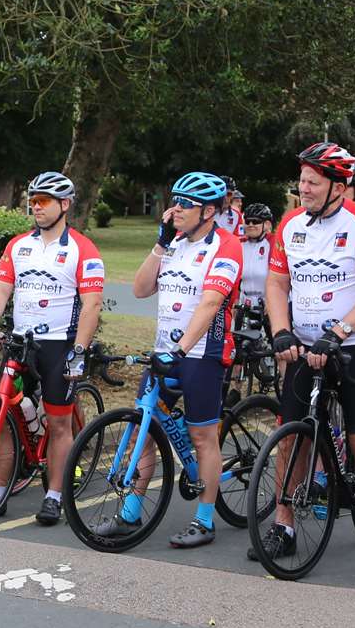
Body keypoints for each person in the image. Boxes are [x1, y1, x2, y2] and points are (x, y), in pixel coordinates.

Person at [258, 141, 355, 580]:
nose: (304, 190)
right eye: (301, 181)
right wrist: (281, 331)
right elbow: (277, 284)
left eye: (313, 182)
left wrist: (338, 333)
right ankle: (284, 525)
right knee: (290, 437)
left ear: (339, 185)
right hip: (303, 344)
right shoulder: (290, 224)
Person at [92, 171, 242, 548]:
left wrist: (180, 350)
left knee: (202, 436)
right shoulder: (174, 243)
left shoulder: (226, 246)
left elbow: (210, 304)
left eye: (184, 204)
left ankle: (205, 521)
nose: (175, 210)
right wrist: (159, 245)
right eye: (173, 202)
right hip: (165, 351)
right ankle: (130, 515)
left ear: (208, 211)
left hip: (202, 353)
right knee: (145, 429)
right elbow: (142, 289)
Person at [0, 171, 106, 526]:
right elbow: (0, 288)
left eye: (43, 201)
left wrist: (79, 349)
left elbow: (91, 305)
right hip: (20, 342)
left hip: (60, 345)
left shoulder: (82, 249)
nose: (36, 207)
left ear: (65, 205)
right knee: (1, 413)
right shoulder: (18, 245)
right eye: (33, 200)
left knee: (59, 423)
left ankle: (55, 495)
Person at [237, 203, 274, 311]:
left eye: (256, 221)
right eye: (247, 221)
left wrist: (273, 300)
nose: (251, 224)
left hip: (269, 302)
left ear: (266, 224)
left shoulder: (274, 242)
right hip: (244, 303)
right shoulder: (238, 244)